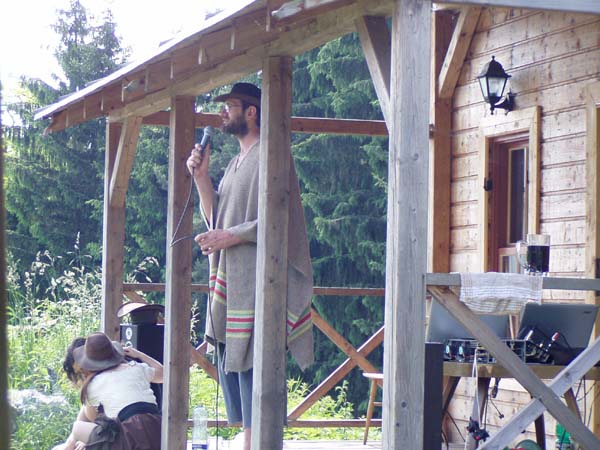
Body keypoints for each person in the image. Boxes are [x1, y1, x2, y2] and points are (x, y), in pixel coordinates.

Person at [186, 82, 314, 450]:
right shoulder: (233, 163)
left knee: (255, 372)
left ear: (252, 112)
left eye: (230, 106)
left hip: (260, 282)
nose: (222, 113)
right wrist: (201, 177)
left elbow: (281, 218)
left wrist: (231, 237)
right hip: (232, 278)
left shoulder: (273, 156)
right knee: (234, 372)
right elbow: (216, 217)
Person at [52, 332, 163, 450]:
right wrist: (139, 354)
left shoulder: (93, 385)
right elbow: (163, 374)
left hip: (130, 436)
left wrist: (88, 441)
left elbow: (94, 420)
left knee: (77, 428)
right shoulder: (135, 367)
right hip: (157, 429)